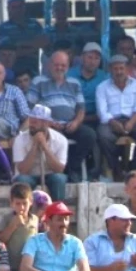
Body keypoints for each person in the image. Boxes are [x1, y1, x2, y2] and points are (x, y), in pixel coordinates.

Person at [30, 49, 97, 181]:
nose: (59, 68)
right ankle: (57, 171)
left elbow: (81, 109)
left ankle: (72, 169)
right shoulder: (39, 82)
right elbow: (30, 107)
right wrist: (48, 122)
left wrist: (76, 122)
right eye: (56, 64)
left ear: (68, 66)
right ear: (49, 65)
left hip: (70, 124)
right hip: (48, 126)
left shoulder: (74, 83)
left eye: (63, 65)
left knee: (90, 135)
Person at [21, 201, 90, 271]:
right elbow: (24, 269)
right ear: (48, 221)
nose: (64, 223)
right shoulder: (34, 241)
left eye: (66, 219)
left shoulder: (75, 242)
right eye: (59, 220)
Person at [96, 54, 136, 180]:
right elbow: (102, 112)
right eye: (115, 69)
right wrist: (113, 122)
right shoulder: (102, 87)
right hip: (111, 122)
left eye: (122, 68)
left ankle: (135, 167)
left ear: (128, 69)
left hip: (133, 120)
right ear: (110, 70)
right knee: (103, 135)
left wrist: (131, 123)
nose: (119, 72)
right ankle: (117, 169)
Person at [0, 183, 38, 271]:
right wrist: (13, 225)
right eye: (18, 204)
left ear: (31, 202)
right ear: (11, 203)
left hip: (29, 268)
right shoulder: (7, 219)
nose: (22, 208)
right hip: (12, 269)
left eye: (25, 203)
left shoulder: (34, 220)